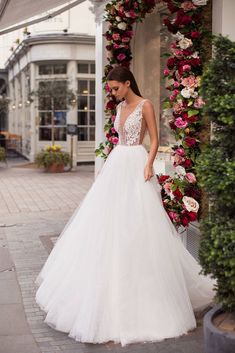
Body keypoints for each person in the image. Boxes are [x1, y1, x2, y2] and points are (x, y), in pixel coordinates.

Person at [35, 66, 215, 347]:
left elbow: (154, 139)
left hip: (136, 163)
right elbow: (115, 139)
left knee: (140, 223)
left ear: (128, 82)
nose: (114, 93)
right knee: (106, 224)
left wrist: (148, 165)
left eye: (116, 88)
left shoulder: (146, 105)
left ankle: (148, 294)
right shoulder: (119, 108)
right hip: (117, 164)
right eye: (112, 89)